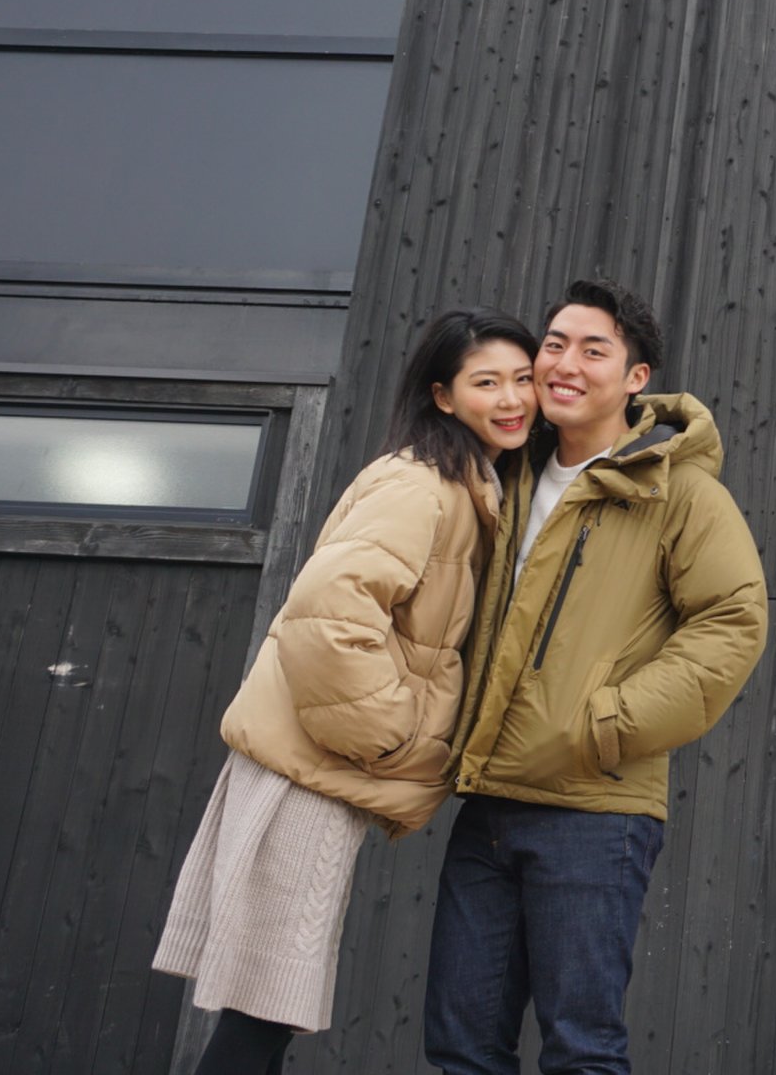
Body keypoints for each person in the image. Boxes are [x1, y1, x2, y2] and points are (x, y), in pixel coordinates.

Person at [154, 308, 540, 1075]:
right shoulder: (421, 485)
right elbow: (328, 620)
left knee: (265, 998)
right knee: (265, 1000)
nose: (512, 398)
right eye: (486, 381)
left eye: (523, 379)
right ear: (442, 396)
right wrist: (390, 735)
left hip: (314, 762)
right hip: (312, 765)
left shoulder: (467, 488)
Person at [424, 277, 768, 1075]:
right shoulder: (504, 474)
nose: (564, 363)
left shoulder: (678, 492)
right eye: (553, 344)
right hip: (489, 804)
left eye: (593, 349)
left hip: (594, 810)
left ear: (636, 378)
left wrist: (605, 724)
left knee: (581, 1051)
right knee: (460, 1050)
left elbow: (733, 622)